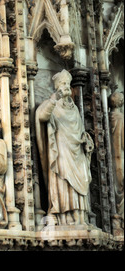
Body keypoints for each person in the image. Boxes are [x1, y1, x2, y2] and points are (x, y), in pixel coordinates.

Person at [35, 69, 94, 226]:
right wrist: (54, 99)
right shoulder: (52, 104)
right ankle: (63, 217)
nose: (66, 87)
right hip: (61, 151)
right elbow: (42, 116)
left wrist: (87, 143)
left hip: (78, 153)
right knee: (63, 181)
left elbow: (80, 131)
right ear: (57, 87)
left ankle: (81, 217)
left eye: (68, 84)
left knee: (81, 182)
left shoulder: (74, 109)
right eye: (63, 84)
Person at [109, 91, 124, 222]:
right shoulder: (121, 118)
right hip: (121, 158)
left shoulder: (107, 117)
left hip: (111, 160)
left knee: (115, 185)